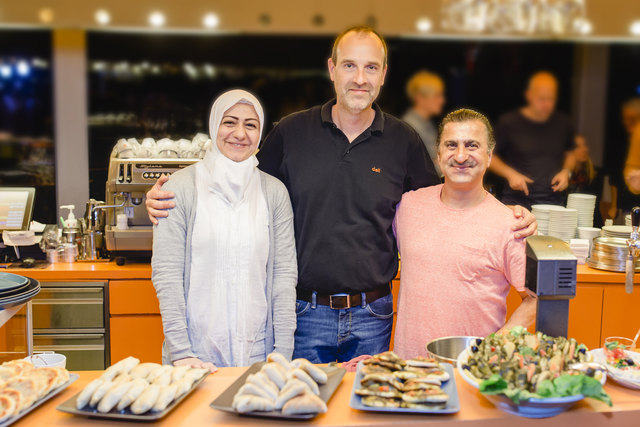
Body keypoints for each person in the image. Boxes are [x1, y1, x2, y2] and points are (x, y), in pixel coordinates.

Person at [145, 27, 538, 364]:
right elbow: (240, 180)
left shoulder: (404, 141)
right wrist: (171, 195)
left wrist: (507, 215)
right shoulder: (291, 133)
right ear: (332, 69)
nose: (360, 78)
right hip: (301, 313)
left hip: (374, 316)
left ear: (383, 75)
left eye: (371, 67)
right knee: (301, 413)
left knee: (367, 413)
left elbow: (445, 202)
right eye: (349, 65)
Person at [151, 89, 297, 370]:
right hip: (194, 355)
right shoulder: (178, 189)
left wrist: (282, 354)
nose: (240, 134)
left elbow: (283, 276)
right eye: (229, 122)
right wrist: (181, 353)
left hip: (258, 355)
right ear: (214, 125)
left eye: (250, 125)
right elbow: (166, 274)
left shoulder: (274, 192)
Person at [393, 109, 537, 357]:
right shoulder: (407, 207)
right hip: (411, 368)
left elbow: (537, 299)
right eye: (451, 145)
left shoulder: (509, 224)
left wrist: (496, 345)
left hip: (471, 370)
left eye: (472, 145)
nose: (460, 156)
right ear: (438, 155)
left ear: (489, 156)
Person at [489, 71, 576, 209]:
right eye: (541, 99)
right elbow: (489, 157)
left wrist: (566, 172)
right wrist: (510, 174)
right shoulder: (509, 122)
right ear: (529, 95)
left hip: (553, 205)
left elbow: (571, 153)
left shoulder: (563, 123)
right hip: (516, 204)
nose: (547, 104)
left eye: (551, 99)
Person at [403, 71, 446, 178]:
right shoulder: (410, 126)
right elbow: (423, 168)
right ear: (420, 98)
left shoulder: (427, 123)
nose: (442, 100)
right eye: (437, 96)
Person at [608, 98, 640, 220]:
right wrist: (613, 205)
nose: (627, 122)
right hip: (626, 205)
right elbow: (614, 177)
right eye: (625, 118)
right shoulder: (622, 143)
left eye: (632, 119)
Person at [568, 135, 604, 227]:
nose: (584, 149)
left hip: (591, 225)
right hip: (567, 223)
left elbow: (595, 207)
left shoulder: (595, 174)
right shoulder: (563, 176)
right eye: (578, 146)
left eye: (585, 145)